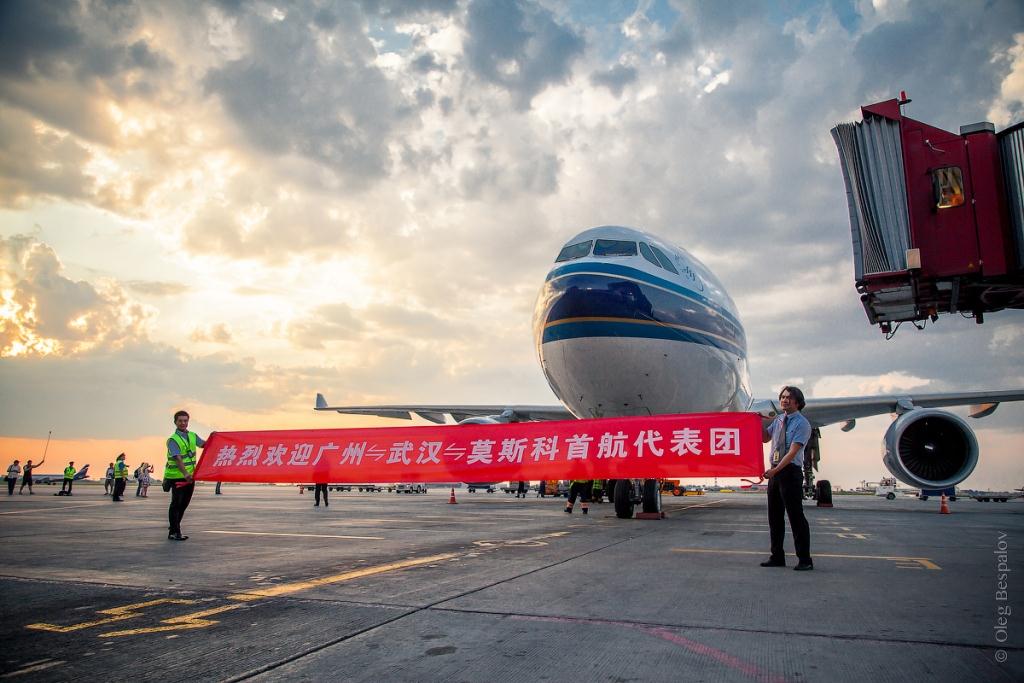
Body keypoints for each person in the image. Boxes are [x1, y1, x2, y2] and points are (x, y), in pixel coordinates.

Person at [760, 386, 813, 571]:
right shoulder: (779, 420)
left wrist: (775, 471)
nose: (784, 400)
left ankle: (805, 559)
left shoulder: (803, 424)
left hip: (790, 473)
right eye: (782, 397)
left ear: (798, 402)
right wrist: (753, 422)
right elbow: (765, 438)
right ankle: (777, 556)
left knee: (795, 517)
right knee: (774, 518)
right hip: (775, 473)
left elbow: (793, 452)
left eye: (789, 398)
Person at [165, 410, 207, 541]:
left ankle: (174, 525)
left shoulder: (193, 436)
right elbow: (177, 459)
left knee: (184, 504)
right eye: (180, 421)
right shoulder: (173, 439)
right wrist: (185, 474)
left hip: (190, 476)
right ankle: (174, 531)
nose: (183, 423)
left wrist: (215, 437)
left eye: (185, 420)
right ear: (175, 422)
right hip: (177, 476)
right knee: (176, 503)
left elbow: (205, 445)